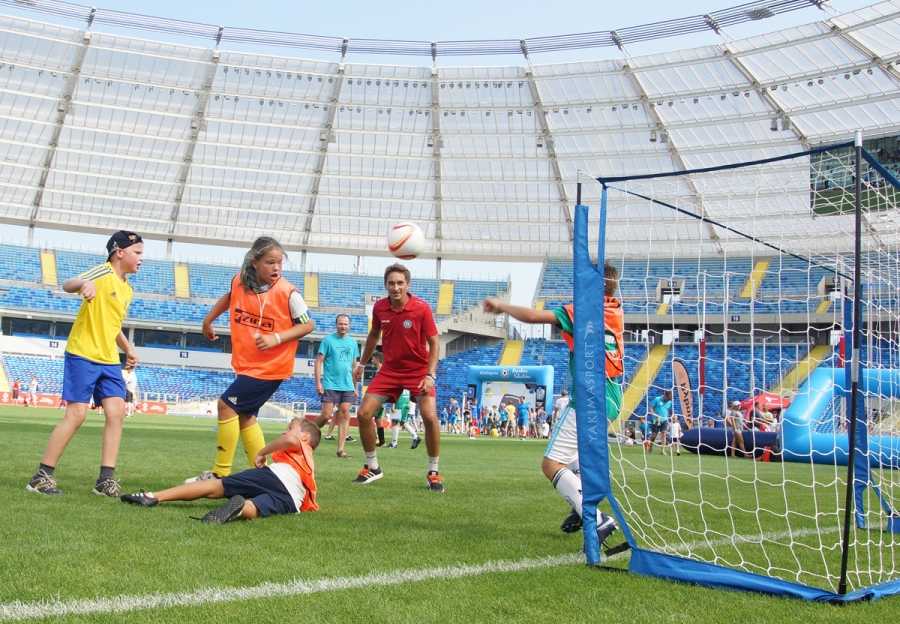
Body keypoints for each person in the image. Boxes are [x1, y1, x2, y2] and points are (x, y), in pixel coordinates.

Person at [482, 260, 622, 547]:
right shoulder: (615, 309)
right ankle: (581, 505)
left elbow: (534, 316)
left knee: (550, 464)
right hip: (612, 394)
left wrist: (502, 307)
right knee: (574, 459)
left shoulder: (583, 311)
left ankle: (596, 518)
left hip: (590, 395)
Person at [186, 236, 315, 483]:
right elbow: (229, 297)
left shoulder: (288, 292)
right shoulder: (239, 281)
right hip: (247, 365)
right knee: (246, 417)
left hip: (270, 368)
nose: (276, 268)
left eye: (279, 263)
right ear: (254, 262)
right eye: (270, 262)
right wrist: (208, 320)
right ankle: (260, 476)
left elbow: (308, 325)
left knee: (225, 405)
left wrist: (276, 338)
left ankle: (219, 473)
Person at [26, 231, 143, 497]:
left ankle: (105, 480)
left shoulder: (127, 289)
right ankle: (42, 476)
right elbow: (69, 283)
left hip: (109, 360)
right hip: (83, 354)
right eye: (137, 253)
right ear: (119, 252)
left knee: (117, 412)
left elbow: (112, 325)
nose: (141, 259)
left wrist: (128, 349)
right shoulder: (101, 274)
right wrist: (82, 285)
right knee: (76, 415)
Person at [350, 263, 443, 491]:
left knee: (430, 417)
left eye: (400, 283)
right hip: (390, 370)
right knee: (363, 414)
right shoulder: (380, 308)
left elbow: (434, 343)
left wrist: (430, 376)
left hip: (419, 370)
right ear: (386, 285)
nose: (395, 287)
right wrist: (362, 363)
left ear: (408, 285)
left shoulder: (421, 308)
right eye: (391, 283)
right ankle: (373, 467)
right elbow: (374, 334)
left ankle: (433, 472)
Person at [121, 418, 320, 523]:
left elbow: (290, 439)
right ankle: (240, 508)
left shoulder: (301, 444)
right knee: (257, 508)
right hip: (292, 499)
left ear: (305, 437)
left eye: (291, 427)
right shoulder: (310, 463)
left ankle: (152, 496)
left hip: (276, 475)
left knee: (216, 486)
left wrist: (262, 451)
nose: (285, 431)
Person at [313, 314, 360, 459]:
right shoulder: (328, 340)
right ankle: (305, 433)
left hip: (347, 384)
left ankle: (341, 450)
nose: (343, 326)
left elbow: (354, 366)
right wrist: (318, 382)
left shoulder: (353, 343)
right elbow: (319, 361)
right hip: (330, 382)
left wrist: (356, 387)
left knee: (345, 413)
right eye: (340, 324)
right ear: (336, 324)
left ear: (349, 325)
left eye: (345, 324)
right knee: (326, 415)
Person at [647, 391, 673, 455]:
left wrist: (666, 417)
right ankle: (650, 446)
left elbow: (666, 410)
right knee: (654, 435)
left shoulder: (669, 402)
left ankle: (662, 450)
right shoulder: (657, 399)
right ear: (665, 396)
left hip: (664, 420)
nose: (669, 400)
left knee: (664, 434)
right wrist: (654, 414)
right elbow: (651, 408)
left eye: (670, 399)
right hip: (655, 419)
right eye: (668, 398)